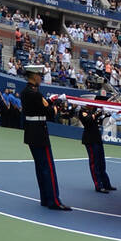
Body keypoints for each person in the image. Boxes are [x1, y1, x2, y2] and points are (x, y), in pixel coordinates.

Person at [20, 64, 71, 211]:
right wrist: (58, 105)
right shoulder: (36, 93)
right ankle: (54, 201)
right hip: (40, 133)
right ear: (34, 76)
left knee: (40, 167)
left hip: (30, 132)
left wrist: (50, 101)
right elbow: (49, 112)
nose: (41, 78)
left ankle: (45, 198)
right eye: (39, 76)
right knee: (48, 167)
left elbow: (42, 105)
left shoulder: (26, 92)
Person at [78, 103, 116, 193]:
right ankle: (98, 185)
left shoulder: (92, 111)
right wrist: (97, 113)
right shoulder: (83, 112)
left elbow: (101, 121)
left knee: (101, 162)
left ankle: (106, 183)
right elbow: (88, 120)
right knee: (94, 163)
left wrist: (106, 114)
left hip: (97, 138)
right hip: (90, 139)